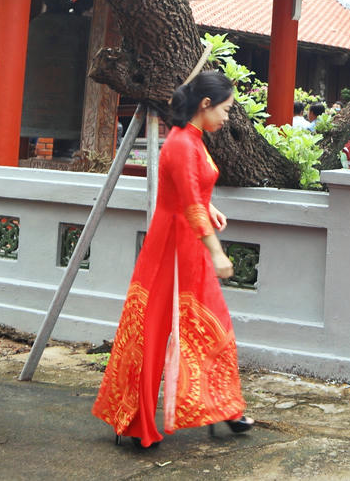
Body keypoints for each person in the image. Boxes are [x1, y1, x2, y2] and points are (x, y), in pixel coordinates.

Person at [93, 70, 253, 447]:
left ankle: (224, 408)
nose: (228, 117)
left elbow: (192, 191)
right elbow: (189, 202)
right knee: (151, 330)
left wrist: (210, 208)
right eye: (226, 109)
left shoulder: (193, 141)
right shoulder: (182, 143)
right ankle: (136, 419)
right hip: (173, 246)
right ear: (205, 104)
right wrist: (217, 252)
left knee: (207, 325)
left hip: (185, 242)